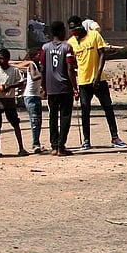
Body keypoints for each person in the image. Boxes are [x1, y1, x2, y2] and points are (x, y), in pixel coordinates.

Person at [68, 15, 126, 149]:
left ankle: (115, 137)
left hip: (99, 80)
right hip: (83, 82)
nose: (75, 32)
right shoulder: (71, 42)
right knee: (85, 110)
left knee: (108, 108)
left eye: (76, 28)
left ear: (81, 25)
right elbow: (72, 65)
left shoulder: (94, 35)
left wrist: (97, 75)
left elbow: (102, 54)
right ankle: (86, 140)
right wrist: (74, 86)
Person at [41, 20, 77, 156]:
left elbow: (43, 69)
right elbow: (70, 69)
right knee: (65, 117)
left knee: (52, 117)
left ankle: (54, 146)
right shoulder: (67, 47)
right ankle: (61, 146)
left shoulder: (45, 48)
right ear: (62, 32)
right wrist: (75, 87)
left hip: (51, 88)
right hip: (64, 87)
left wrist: (44, 87)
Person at [0, 48, 27, 157]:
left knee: (15, 123)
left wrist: (10, 87)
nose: (0, 61)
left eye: (2, 59)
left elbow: (22, 82)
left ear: (8, 59)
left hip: (9, 99)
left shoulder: (14, 70)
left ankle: (21, 147)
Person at [21, 46, 45, 153]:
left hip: (36, 96)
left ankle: (37, 142)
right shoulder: (32, 65)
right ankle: (35, 143)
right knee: (34, 120)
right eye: (37, 54)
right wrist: (44, 74)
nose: (39, 56)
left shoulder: (38, 66)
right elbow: (34, 77)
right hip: (30, 96)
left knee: (39, 121)